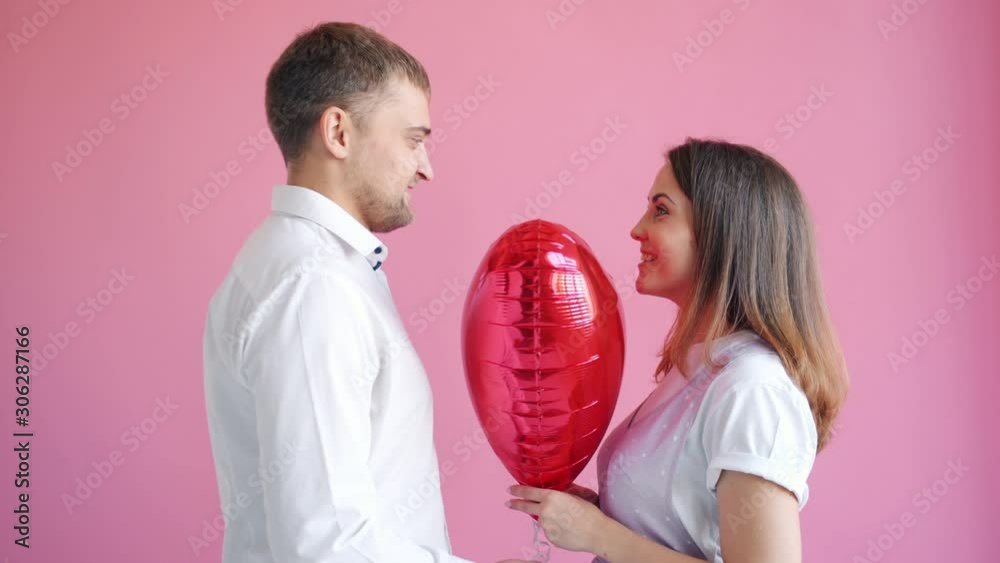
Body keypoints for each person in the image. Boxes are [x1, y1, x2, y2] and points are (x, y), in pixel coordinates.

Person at [502, 138, 849, 563]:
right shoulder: (704, 368)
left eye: (661, 211)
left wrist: (598, 533)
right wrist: (599, 514)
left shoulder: (753, 389)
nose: (637, 230)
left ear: (722, 234)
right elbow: (676, 529)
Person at [202, 22, 474, 562]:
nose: (426, 168)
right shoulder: (314, 287)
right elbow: (325, 545)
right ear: (339, 133)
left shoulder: (293, 264)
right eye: (413, 139)